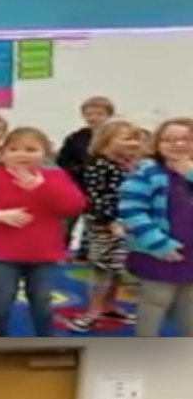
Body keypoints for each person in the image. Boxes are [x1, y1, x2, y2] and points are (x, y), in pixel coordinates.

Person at [0, 127, 85, 337]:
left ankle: (45, 340)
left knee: (42, 304)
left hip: (43, 253)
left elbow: (74, 206)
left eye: (31, 149)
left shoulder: (55, 176)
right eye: (14, 149)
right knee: (0, 303)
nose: (22, 154)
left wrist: (43, 187)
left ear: (45, 154)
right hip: (2, 253)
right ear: (3, 154)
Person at [120, 118, 193, 336]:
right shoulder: (147, 172)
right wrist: (158, 243)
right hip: (158, 252)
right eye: (169, 140)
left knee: (188, 305)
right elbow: (131, 210)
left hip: (190, 253)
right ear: (157, 144)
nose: (177, 145)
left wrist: (189, 173)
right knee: (155, 301)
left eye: (185, 139)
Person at [68, 121, 142, 333]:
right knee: (101, 267)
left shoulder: (128, 164)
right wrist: (110, 221)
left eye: (136, 139)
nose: (134, 143)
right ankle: (93, 310)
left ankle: (109, 305)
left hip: (126, 222)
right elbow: (97, 197)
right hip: (105, 223)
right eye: (127, 138)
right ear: (106, 141)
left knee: (117, 266)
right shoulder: (99, 165)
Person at [57, 96, 116, 188]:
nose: (93, 118)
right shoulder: (76, 137)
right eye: (88, 114)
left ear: (109, 115)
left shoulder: (117, 136)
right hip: (82, 183)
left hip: (111, 181)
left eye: (99, 114)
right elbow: (63, 161)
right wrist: (79, 170)